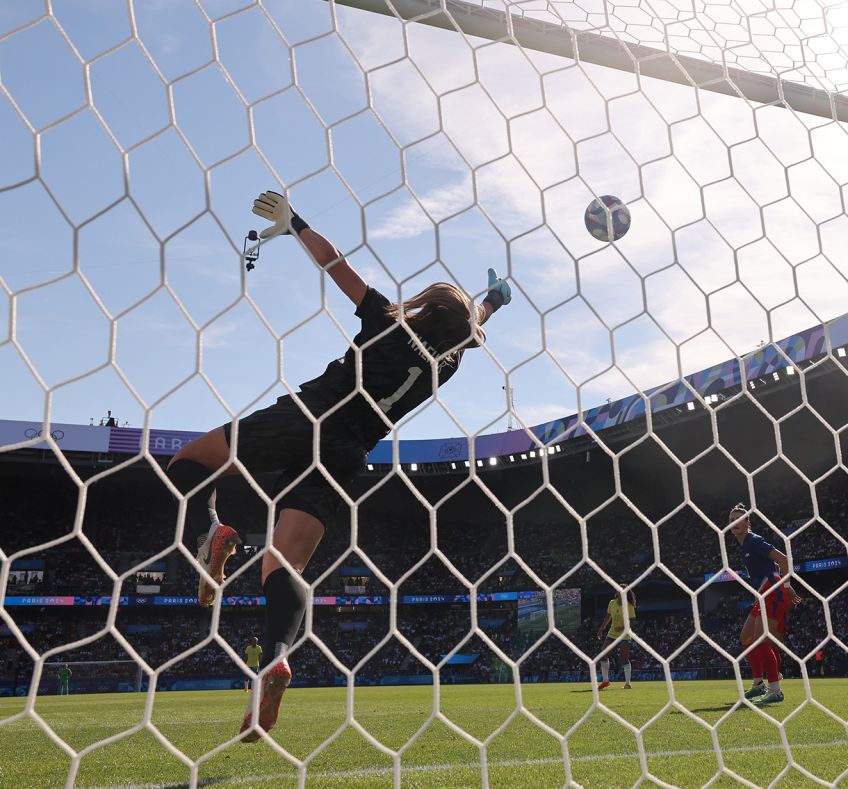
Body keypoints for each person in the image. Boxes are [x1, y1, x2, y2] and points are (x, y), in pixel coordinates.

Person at [163, 191, 511, 741]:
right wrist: (493, 299)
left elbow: (335, 263)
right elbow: (471, 322)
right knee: (283, 567)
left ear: (425, 306)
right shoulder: (446, 365)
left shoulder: (387, 323)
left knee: (190, 462)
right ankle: (275, 660)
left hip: (309, 416)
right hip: (348, 453)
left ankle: (210, 533)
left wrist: (293, 223)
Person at [728, 504, 798, 705]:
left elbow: (782, 559)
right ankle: (759, 683)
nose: (735, 523)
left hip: (772, 592)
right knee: (746, 638)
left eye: (739, 519)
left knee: (761, 640)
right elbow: (774, 565)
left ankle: (775, 690)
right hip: (762, 593)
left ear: (748, 523)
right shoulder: (746, 545)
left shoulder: (754, 541)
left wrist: (786, 586)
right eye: (732, 520)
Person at [595, 586, 637, 690]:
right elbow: (608, 616)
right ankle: (605, 681)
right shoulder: (612, 603)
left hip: (625, 634)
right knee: (603, 654)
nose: (617, 590)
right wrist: (601, 629)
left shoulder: (629, 606)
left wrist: (623, 627)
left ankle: (628, 683)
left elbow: (632, 621)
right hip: (612, 633)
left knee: (624, 659)